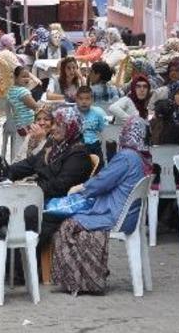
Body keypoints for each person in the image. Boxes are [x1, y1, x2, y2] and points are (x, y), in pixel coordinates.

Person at [52, 116, 151, 295]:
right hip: (130, 215)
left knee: (68, 224)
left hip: (117, 215)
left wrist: (81, 187)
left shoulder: (126, 157)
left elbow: (103, 181)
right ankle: (84, 278)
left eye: (125, 130)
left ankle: (82, 281)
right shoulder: (141, 156)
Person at [9, 108, 92, 246]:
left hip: (57, 207)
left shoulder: (78, 154)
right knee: (2, 207)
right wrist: (4, 172)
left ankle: (21, 261)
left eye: (59, 125)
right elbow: (31, 163)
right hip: (42, 198)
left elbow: (61, 186)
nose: (53, 128)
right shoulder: (55, 146)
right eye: (54, 123)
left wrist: (31, 188)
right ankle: (5, 259)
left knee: (14, 212)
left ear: (71, 127)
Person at [6, 66, 42, 157]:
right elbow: (35, 107)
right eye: (23, 76)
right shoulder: (23, 92)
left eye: (28, 76)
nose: (27, 79)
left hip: (16, 122)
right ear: (15, 77)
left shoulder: (12, 89)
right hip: (25, 125)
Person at [75, 86, 107, 167]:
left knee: (100, 166)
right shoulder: (72, 113)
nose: (84, 102)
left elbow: (101, 130)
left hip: (94, 145)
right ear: (76, 99)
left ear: (92, 100)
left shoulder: (98, 113)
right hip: (77, 145)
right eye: (81, 99)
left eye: (87, 98)